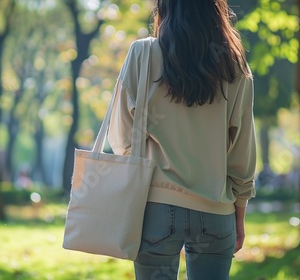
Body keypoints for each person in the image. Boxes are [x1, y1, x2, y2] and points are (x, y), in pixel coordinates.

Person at [108, 0, 256, 279]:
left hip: (154, 210)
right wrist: (240, 211)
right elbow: (242, 149)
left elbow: (122, 136)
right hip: (216, 209)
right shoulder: (233, 62)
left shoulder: (142, 54)